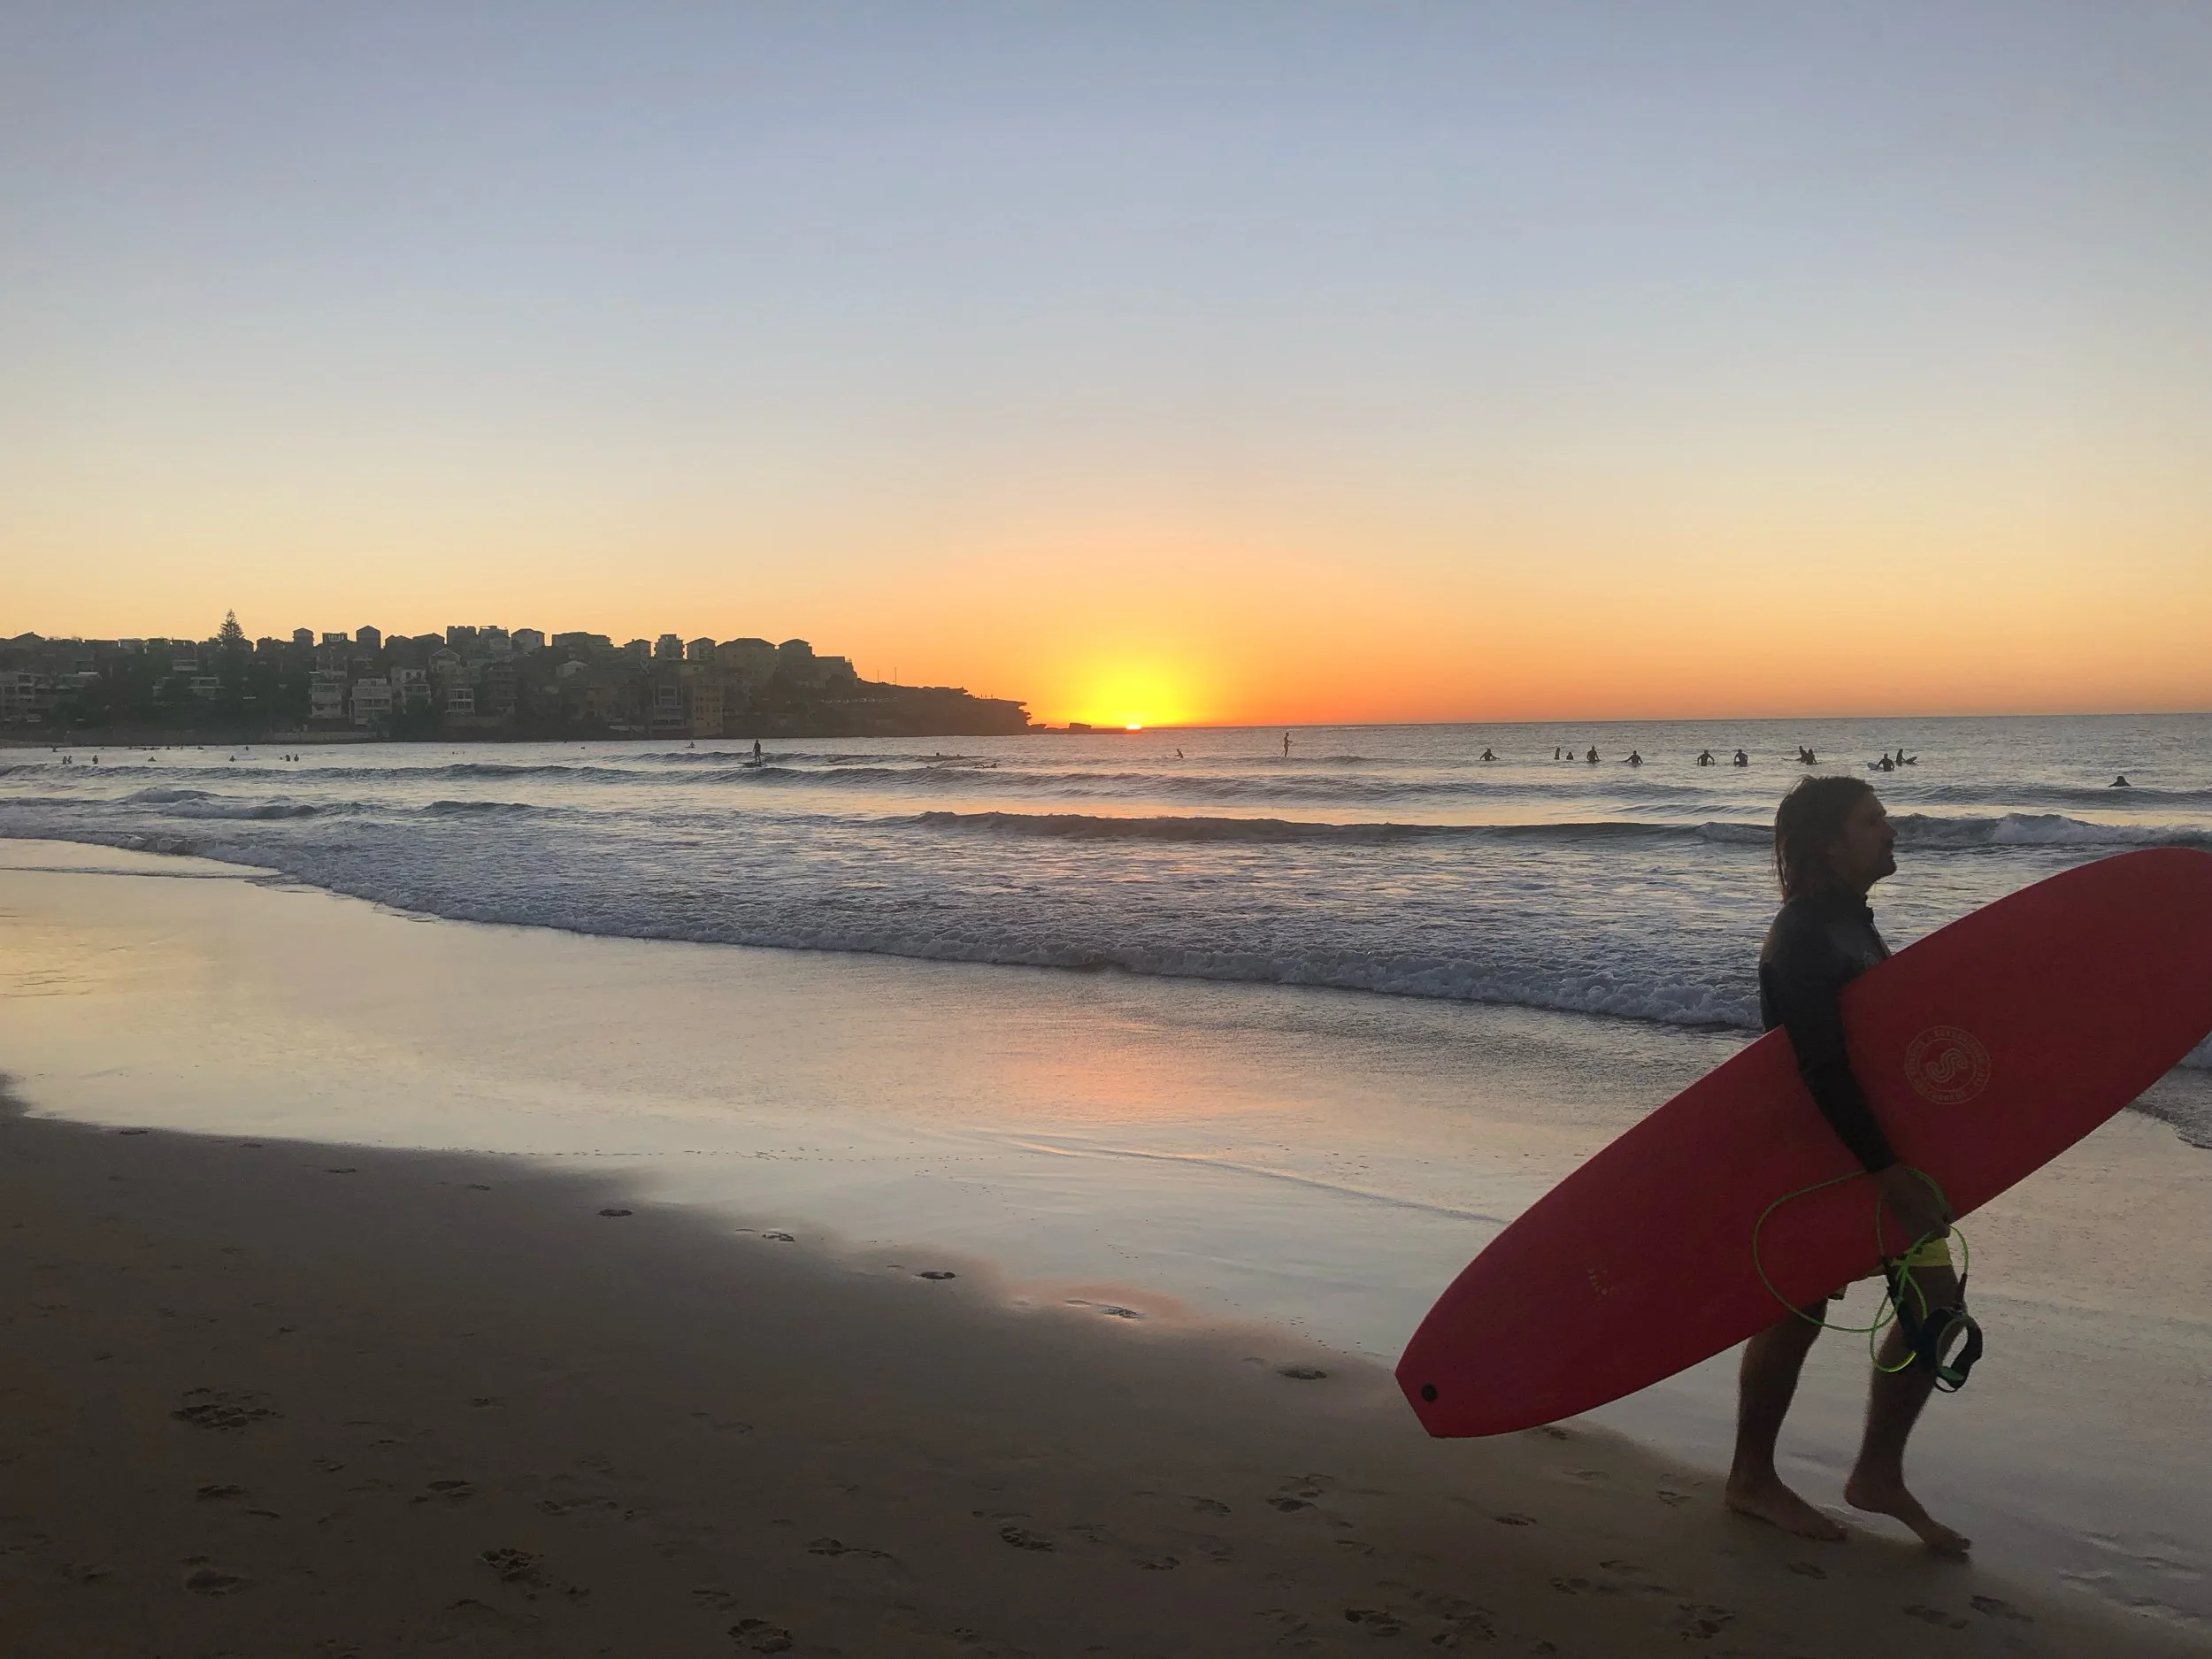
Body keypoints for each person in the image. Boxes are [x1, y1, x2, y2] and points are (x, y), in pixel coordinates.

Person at [1728, 776, 1970, 1554]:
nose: (1891, 830)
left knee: (1935, 1302)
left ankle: (1876, 1473)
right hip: (1817, 1154)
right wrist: (1888, 1173)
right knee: (1796, 1309)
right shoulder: (1802, 935)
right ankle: (1752, 1476)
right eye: (1874, 820)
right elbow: (1822, 1067)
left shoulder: (1853, 928)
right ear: (1832, 842)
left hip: (1871, 1151)